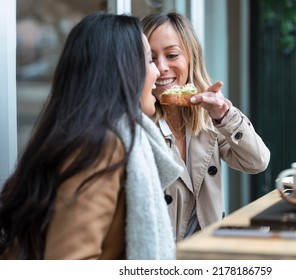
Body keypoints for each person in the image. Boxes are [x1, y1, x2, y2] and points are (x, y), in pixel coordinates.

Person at [0, 12, 182, 260]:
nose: (158, 73)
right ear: (124, 70)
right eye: (150, 60)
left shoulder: (83, 132)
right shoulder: (102, 145)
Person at [141, 12, 271, 242]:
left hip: (207, 252)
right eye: (151, 59)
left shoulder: (207, 115)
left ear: (192, 58)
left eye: (172, 55)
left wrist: (225, 116)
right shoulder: (138, 125)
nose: (162, 67)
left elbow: (257, 162)